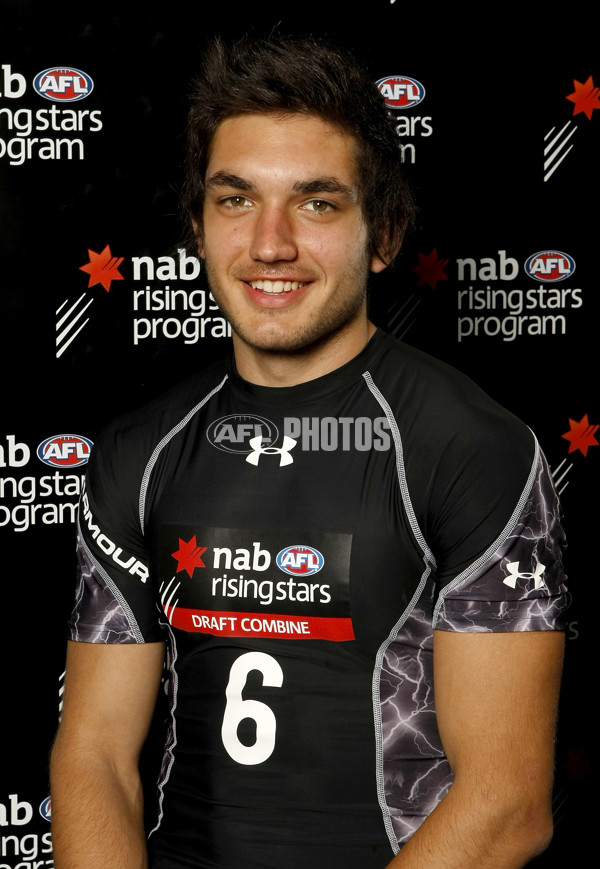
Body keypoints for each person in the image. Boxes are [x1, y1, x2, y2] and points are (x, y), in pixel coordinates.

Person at [50, 33, 568, 869]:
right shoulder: (138, 451)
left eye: (318, 203)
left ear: (385, 232)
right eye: (235, 200)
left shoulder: (471, 447)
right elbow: (95, 755)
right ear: (196, 224)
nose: (270, 244)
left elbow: (508, 805)